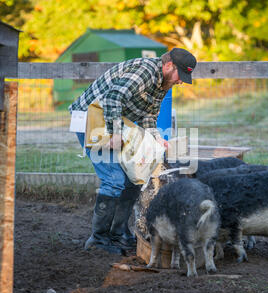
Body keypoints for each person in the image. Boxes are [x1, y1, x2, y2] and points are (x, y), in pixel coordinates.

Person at [69, 48, 197, 254]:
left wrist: (158, 140)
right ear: (168, 66)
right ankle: (98, 239)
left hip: (112, 121)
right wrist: (116, 134)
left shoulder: (162, 83)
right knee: (114, 180)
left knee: (134, 179)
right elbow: (113, 98)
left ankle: (118, 233)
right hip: (90, 118)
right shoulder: (145, 71)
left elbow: (149, 115)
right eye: (180, 75)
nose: (180, 81)